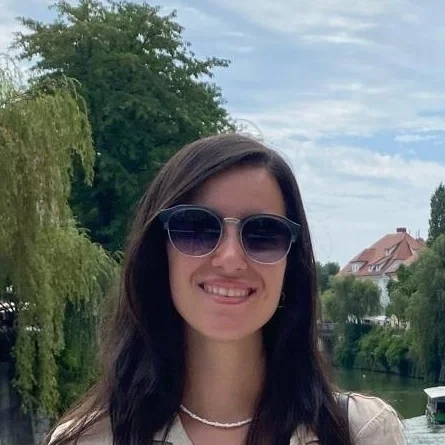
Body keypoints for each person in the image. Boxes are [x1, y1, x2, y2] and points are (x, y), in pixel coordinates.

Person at [46, 134, 405, 445]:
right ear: (159, 254)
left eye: (263, 233)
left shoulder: (361, 433)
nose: (231, 258)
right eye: (196, 228)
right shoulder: (87, 439)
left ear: (290, 267)